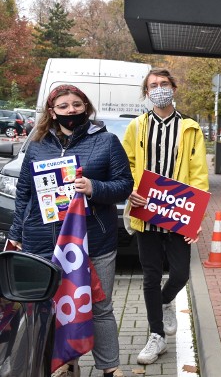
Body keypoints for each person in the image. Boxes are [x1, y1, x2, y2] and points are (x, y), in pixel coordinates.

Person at [8, 84, 133, 377]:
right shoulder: (37, 145)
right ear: (52, 112)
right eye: (63, 106)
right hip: (42, 241)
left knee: (99, 306)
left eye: (76, 104)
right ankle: (63, 364)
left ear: (86, 107)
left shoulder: (107, 142)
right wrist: (15, 233)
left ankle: (110, 367)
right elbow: (24, 194)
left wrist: (94, 188)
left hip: (92, 242)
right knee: (48, 307)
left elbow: (124, 185)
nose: (71, 111)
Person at [123, 68, 209, 365]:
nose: (158, 89)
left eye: (163, 84)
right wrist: (131, 190)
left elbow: (198, 175)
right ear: (146, 93)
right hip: (146, 211)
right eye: (152, 86)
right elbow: (127, 164)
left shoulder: (190, 127)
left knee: (181, 272)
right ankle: (156, 336)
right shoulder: (137, 127)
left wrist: (194, 219)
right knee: (149, 276)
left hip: (177, 212)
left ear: (173, 87)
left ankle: (166, 300)